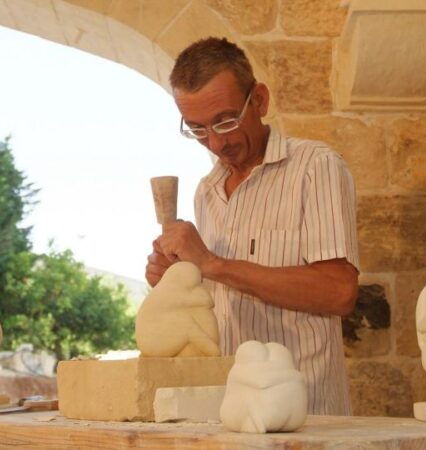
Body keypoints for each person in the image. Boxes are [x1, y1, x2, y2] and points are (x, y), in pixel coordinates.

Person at [144, 37, 359, 415]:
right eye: (197, 129)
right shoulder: (206, 193)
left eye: (225, 120)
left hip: (306, 416)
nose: (216, 142)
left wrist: (211, 264)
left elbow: (339, 291)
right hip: (230, 411)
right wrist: (177, 279)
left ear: (259, 100)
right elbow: (217, 299)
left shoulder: (314, 167)